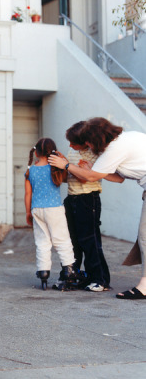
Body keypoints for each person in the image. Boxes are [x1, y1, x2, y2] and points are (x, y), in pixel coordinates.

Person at [48, 117, 146, 300]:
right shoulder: (122, 140)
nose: (87, 145)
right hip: (77, 198)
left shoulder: (115, 148)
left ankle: (135, 285)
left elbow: (92, 177)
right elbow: (117, 177)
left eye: (88, 141)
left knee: (144, 237)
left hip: (88, 199)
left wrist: (68, 166)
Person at [63, 121, 110, 292]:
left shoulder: (93, 154)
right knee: (72, 241)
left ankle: (100, 279)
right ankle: (74, 276)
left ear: (85, 142)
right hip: (72, 198)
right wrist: (60, 168)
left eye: (73, 143)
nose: (70, 145)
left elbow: (85, 177)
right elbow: (68, 176)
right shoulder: (72, 151)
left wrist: (68, 166)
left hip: (87, 199)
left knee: (89, 240)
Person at [25, 138, 76, 290]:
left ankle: (43, 272)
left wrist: (28, 212)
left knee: (42, 242)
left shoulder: (30, 170)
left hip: (37, 209)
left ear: (37, 152)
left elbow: (28, 194)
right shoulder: (56, 168)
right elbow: (67, 172)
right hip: (54, 209)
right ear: (53, 152)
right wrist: (62, 158)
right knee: (62, 240)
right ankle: (69, 270)